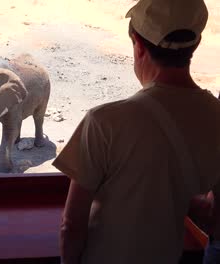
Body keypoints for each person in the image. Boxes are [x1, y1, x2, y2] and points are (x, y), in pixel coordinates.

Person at [52, 0, 220, 263]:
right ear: (195, 44)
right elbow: (214, 218)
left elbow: (71, 225)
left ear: (138, 46)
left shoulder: (103, 121)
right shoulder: (216, 116)